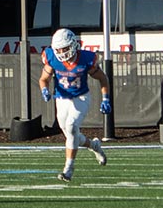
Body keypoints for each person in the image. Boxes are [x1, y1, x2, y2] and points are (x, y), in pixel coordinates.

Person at [40, 27, 112, 182]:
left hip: (81, 98)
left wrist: (105, 98)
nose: (62, 53)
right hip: (62, 99)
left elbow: (103, 78)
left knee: (72, 127)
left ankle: (68, 169)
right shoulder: (52, 58)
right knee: (72, 136)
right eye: (58, 49)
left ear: (73, 45)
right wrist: (44, 90)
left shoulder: (85, 58)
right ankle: (94, 146)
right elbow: (43, 79)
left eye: (65, 49)